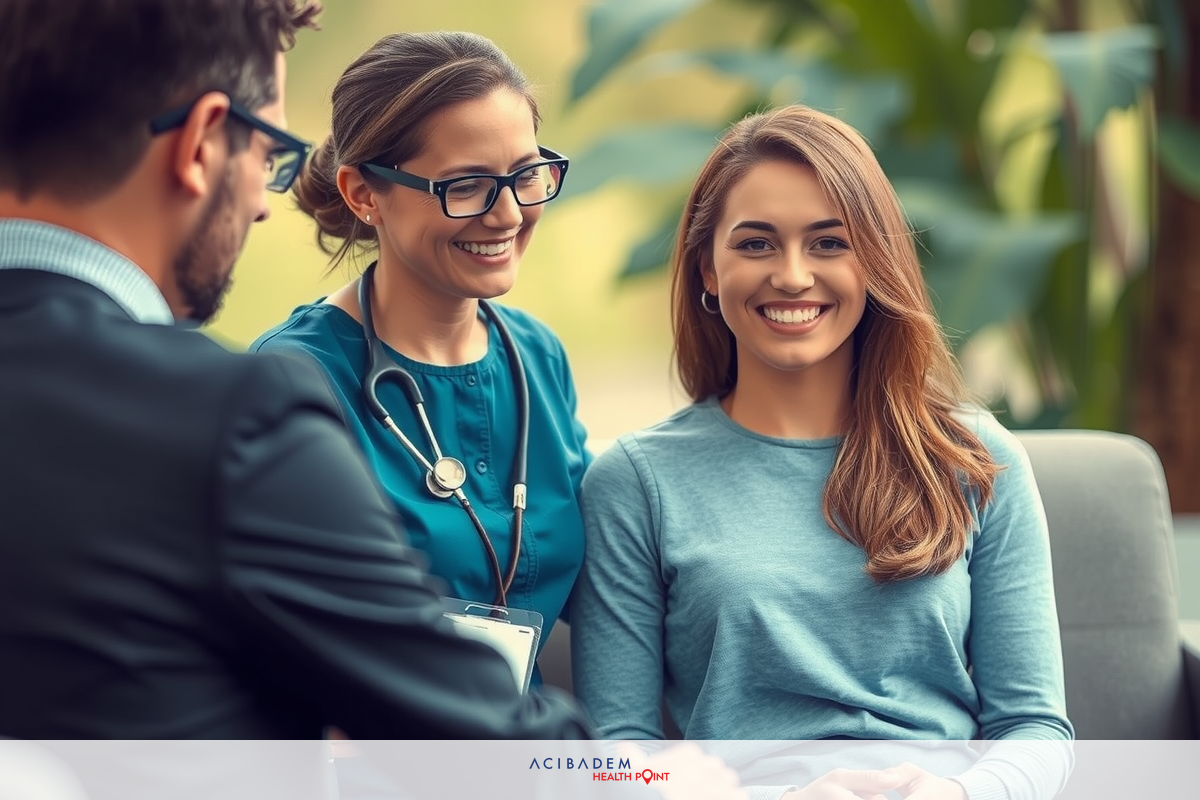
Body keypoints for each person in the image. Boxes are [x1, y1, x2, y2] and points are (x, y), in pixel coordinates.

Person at [0, 0, 613, 790]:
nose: (264, 200)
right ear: (199, 144)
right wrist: (655, 778)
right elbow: (455, 731)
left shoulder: (536, 356)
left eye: (527, 177)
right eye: (269, 154)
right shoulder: (239, 408)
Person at [570, 105, 1075, 800]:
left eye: (829, 243)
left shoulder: (976, 457)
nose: (793, 275)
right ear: (707, 273)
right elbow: (614, 755)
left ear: (874, 262)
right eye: (755, 245)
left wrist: (955, 795)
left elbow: (1036, 726)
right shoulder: (634, 482)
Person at [250, 31, 589, 684]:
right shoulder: (293, 381)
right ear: (363, 194)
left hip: (533, 761)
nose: (510, 213)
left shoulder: (538, 357)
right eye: (467, 186)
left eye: (526, 175)